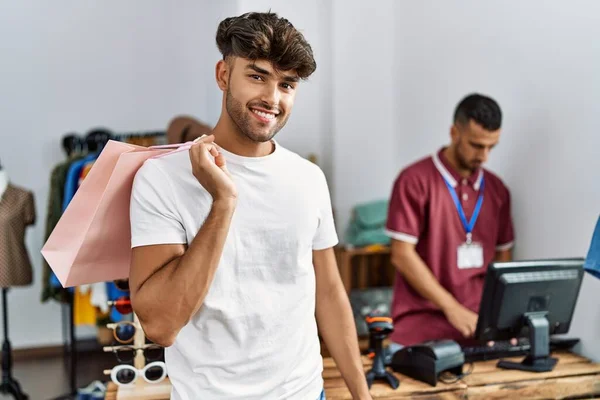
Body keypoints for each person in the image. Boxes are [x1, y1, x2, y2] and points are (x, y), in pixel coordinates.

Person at [128, 12, 371, 400]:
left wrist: (363, 395)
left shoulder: (309, 179)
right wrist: (223, 203)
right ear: (223, 75)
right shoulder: (162, 178)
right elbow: (160, 325)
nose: (272, 99)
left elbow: (328, 292)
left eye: (287, 84)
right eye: (257, 76)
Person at [384, 93, 515, 348]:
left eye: (491, 147)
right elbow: (401, 254)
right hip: (421, 328)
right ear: (454, 133)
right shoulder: (414, 180)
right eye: (477, 145)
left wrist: (500, 317)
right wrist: (452, 308)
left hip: (478, 328)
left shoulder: (498, 190)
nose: (484, 156)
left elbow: (504, 258)